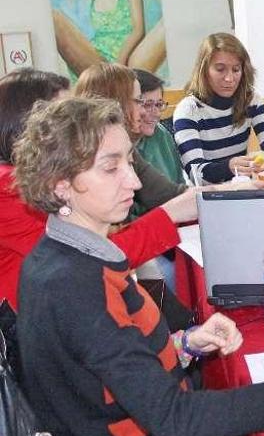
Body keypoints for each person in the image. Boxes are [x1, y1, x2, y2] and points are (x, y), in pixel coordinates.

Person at [14, 97, 264, 436]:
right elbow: (176, 422)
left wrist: (183, 344)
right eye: (110, 168)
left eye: (129, 162)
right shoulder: (78, 287)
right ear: (61, 185)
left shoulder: (58, 255)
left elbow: (107, 372)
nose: (134, 182)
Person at [0, 68, 189, 310]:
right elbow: (89, 257)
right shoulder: (9, 188)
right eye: (62, 114)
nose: (75, 121)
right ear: (29, 126)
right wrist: (171, 214)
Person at [174, 32, 264, 185]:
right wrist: (229, 167)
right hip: (207, 196)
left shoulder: (251, 100)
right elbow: (197, 174)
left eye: (236, 70)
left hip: (242, 187)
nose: (229, 78)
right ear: (203, 71)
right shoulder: (188, 110)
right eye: (220, 69)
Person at [75, 62, 187, 209]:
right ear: (116, 103)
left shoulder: (126, 148)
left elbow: (171, 193)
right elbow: (120, 226)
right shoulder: (88, 154)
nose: (144, 112)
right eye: (140, 102)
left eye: (159, 104)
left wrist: (221, 192)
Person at [52, 0, 166, 76]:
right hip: (99, 59)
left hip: (128, 57)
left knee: (165, 26)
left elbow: (138, 30)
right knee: (55, 18)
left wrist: (119, 63)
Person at [132, 68, 185, 215]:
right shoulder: (120, 145)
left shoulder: (162, 135)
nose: (155, 113)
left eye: (159, 104)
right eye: (147, 105)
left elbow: (179, 185)